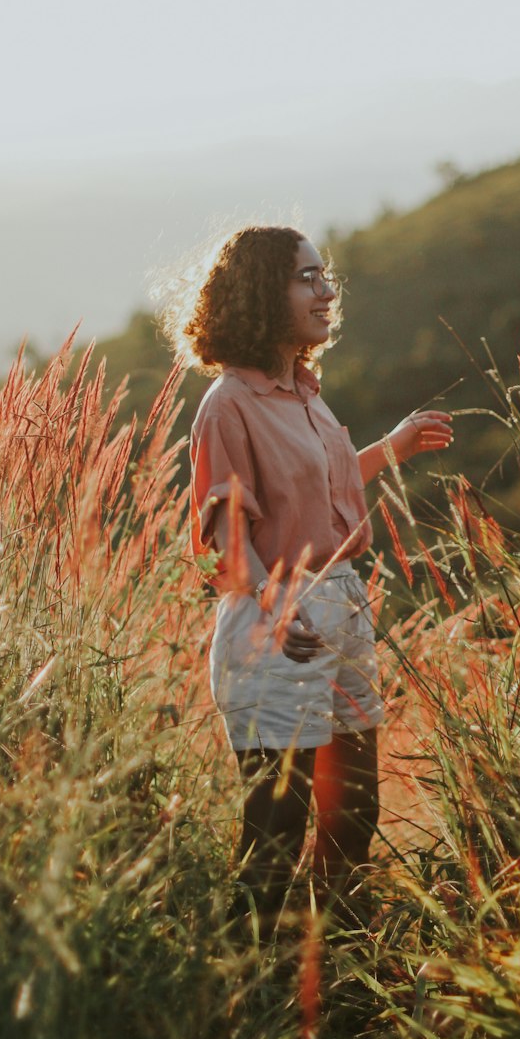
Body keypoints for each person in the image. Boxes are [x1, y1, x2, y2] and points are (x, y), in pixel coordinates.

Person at [166, 225, 452, 931]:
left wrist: (393, 446)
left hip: (343, 605)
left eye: (326, 276)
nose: (326, 290)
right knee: (277, 825)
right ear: (262, 292)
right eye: (306, 277)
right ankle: (246, 985)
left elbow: (320, 487)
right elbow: (225, 529)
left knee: (354, 811)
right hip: (275, 621)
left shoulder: (305, 393)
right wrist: (276, 603)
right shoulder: (228, 403)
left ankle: (338, 969)